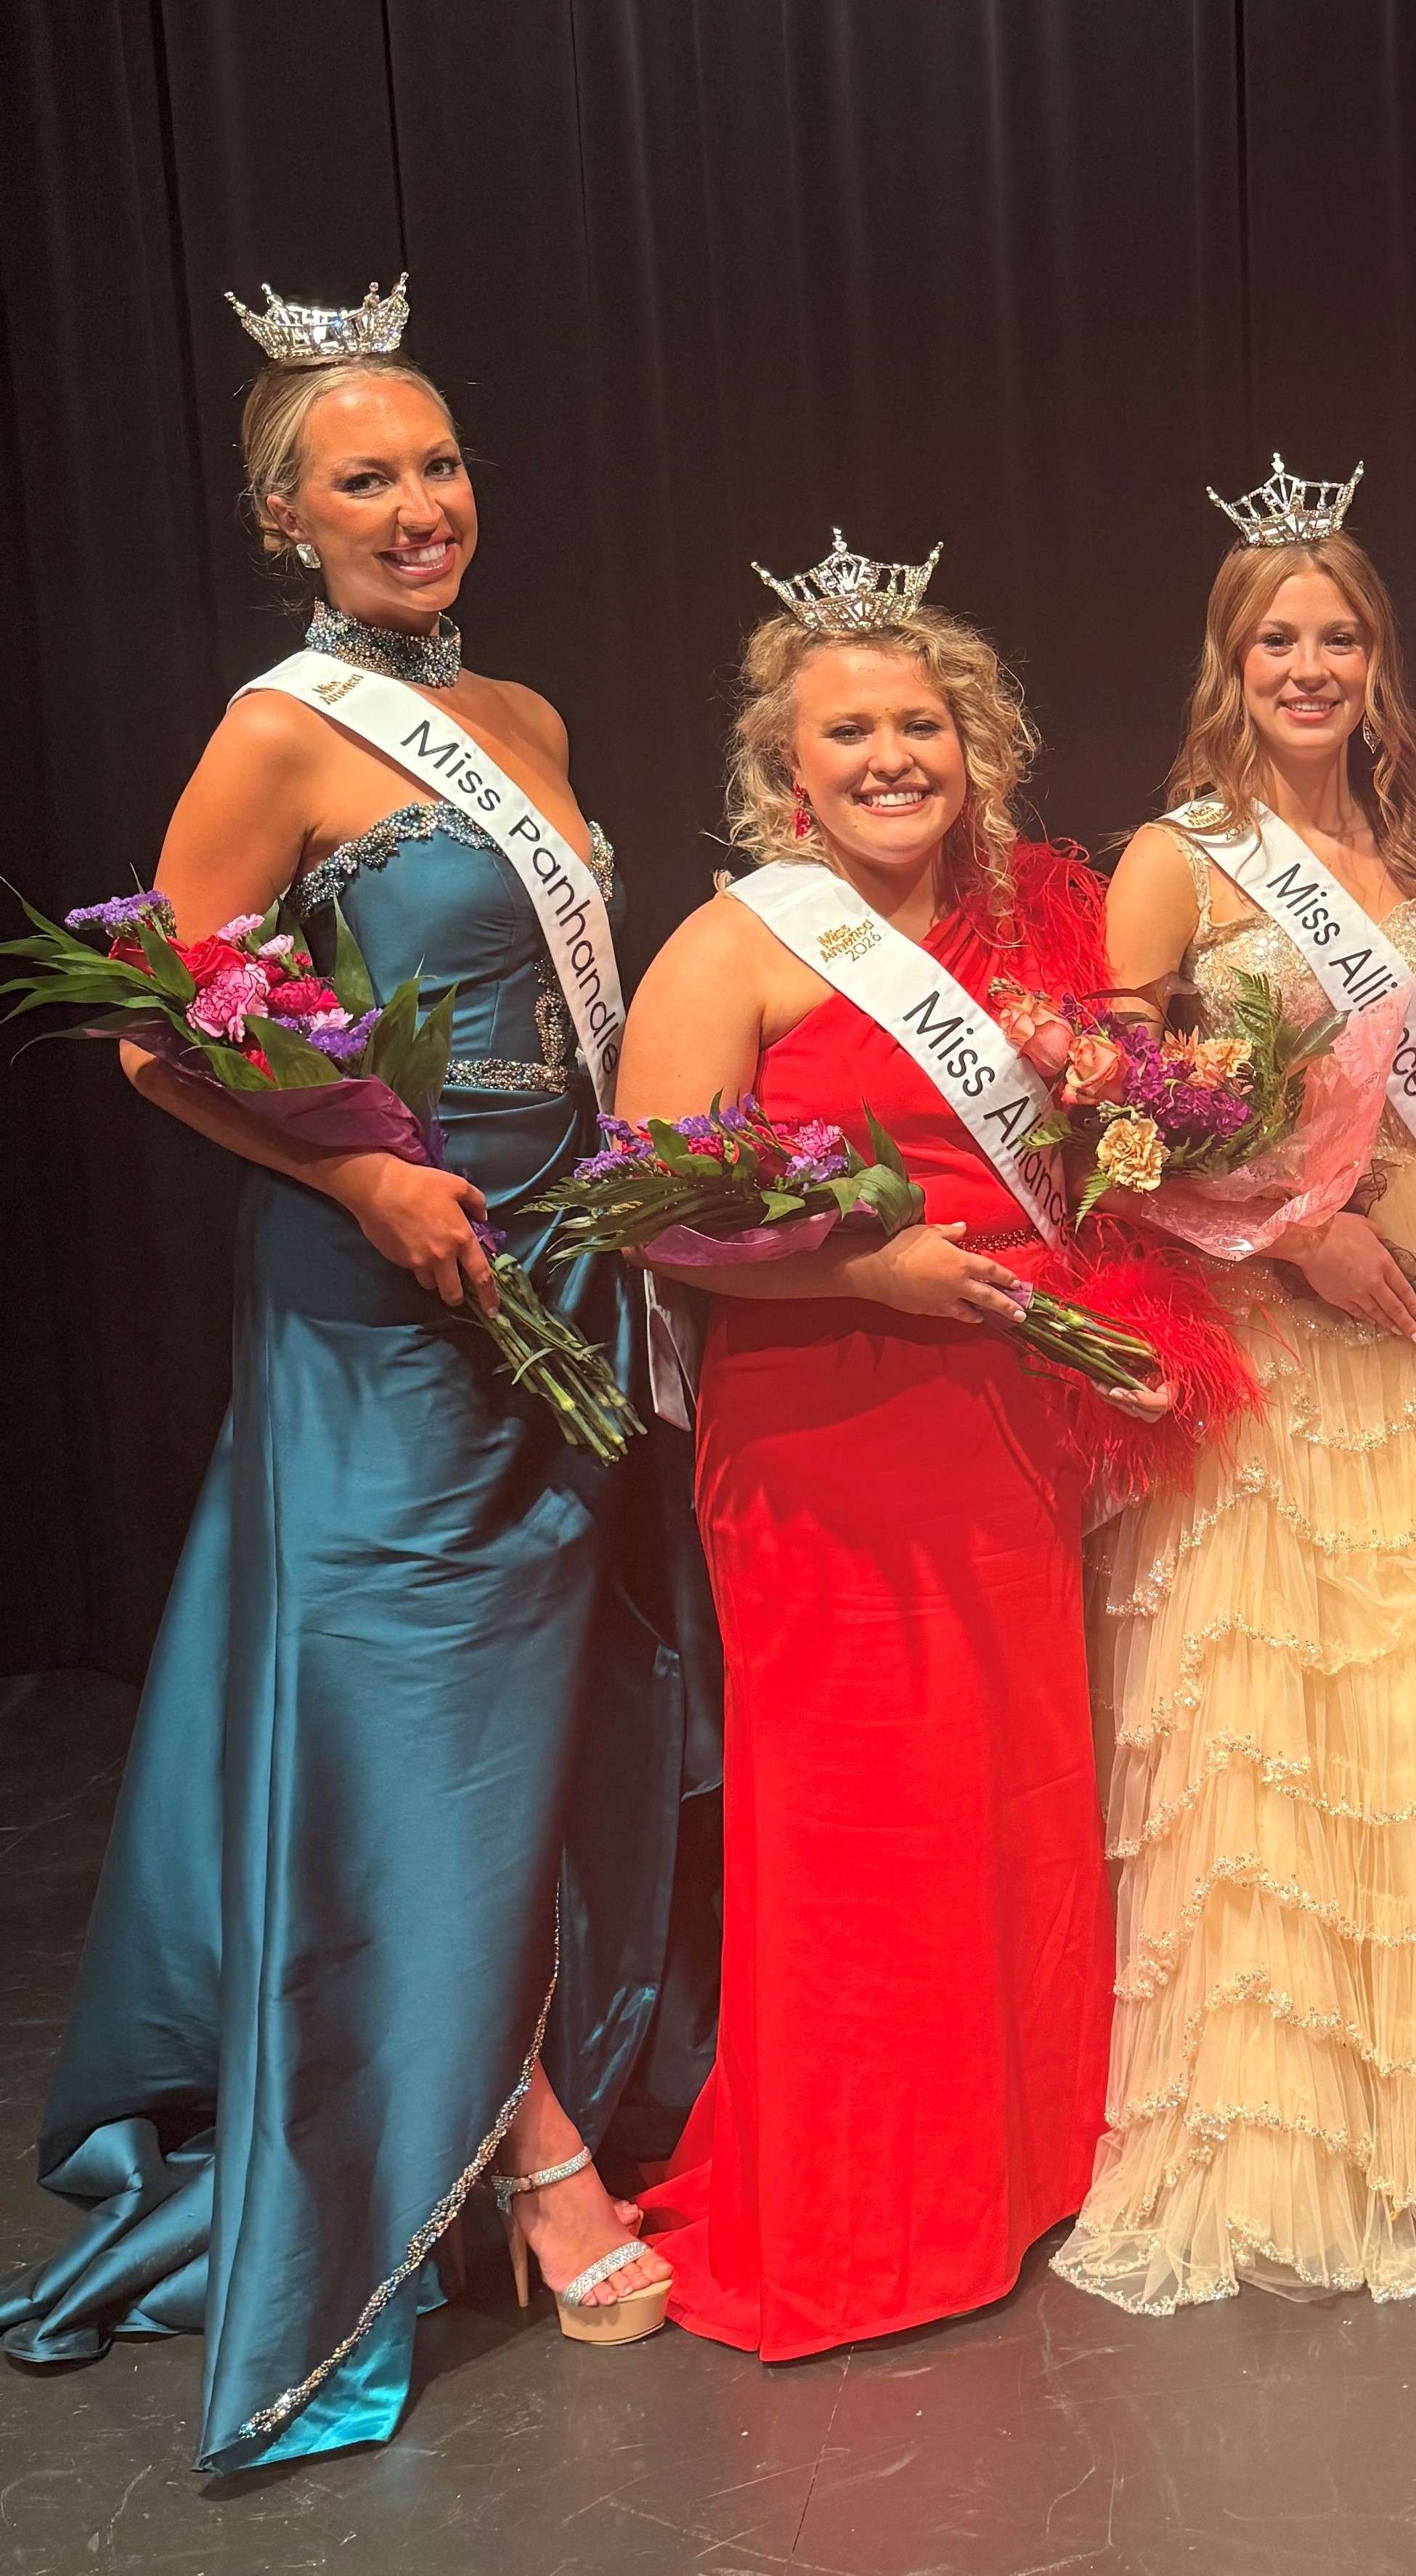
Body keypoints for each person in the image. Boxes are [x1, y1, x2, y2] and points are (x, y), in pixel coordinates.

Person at [0, 277, 685, 2469]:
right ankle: (531, 2152)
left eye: (437, 464)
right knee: (411, 1728)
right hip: (381, 1287)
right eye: (364, 477)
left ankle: (514, 2083)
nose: (417, 505)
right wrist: (366, 1178)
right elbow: (153, 1032)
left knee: (541, 1714)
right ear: (286, 516)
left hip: (553, 1267)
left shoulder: (534, 716)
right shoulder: (278, 731)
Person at [624, 541, 1240, 2358]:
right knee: (858, 1811)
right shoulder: (732, 942)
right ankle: (864, 2206)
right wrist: (862, 1268)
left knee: (1013, 1795)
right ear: (784, 770)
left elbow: (1118, 1130)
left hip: (1006, 1422)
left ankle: (1017, 2167)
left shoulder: (1036, 935)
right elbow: (645, 1204)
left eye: (923, 726)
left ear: (975, 748)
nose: (893, 757)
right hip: (826, 1432)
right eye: (850, 733)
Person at [1054, 456, 1416, 2312]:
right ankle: (1278, 2140)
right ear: (1227, 660)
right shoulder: (1173, 860)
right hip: (1276, 1330)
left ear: (1379, 656)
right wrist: (1296, 1229)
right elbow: (1111, 1142)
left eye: (1336, 632)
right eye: (1274, 635)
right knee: (1272, 1722)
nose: (1308, 662)